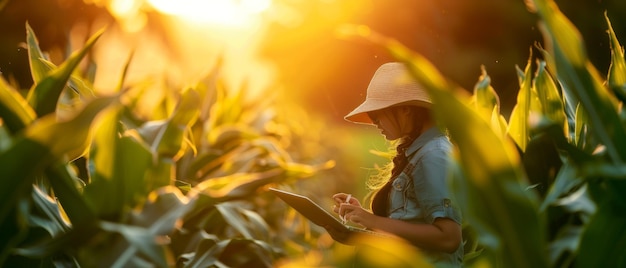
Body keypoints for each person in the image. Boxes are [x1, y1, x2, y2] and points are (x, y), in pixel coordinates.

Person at [326, 62, 464, 266]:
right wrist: (362, 216)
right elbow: (412, 223)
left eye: (376, 114)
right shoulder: (421, 152)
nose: (375, 122)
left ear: (405, 109)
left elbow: (449, 238)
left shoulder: (433, 156)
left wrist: (372, 221)